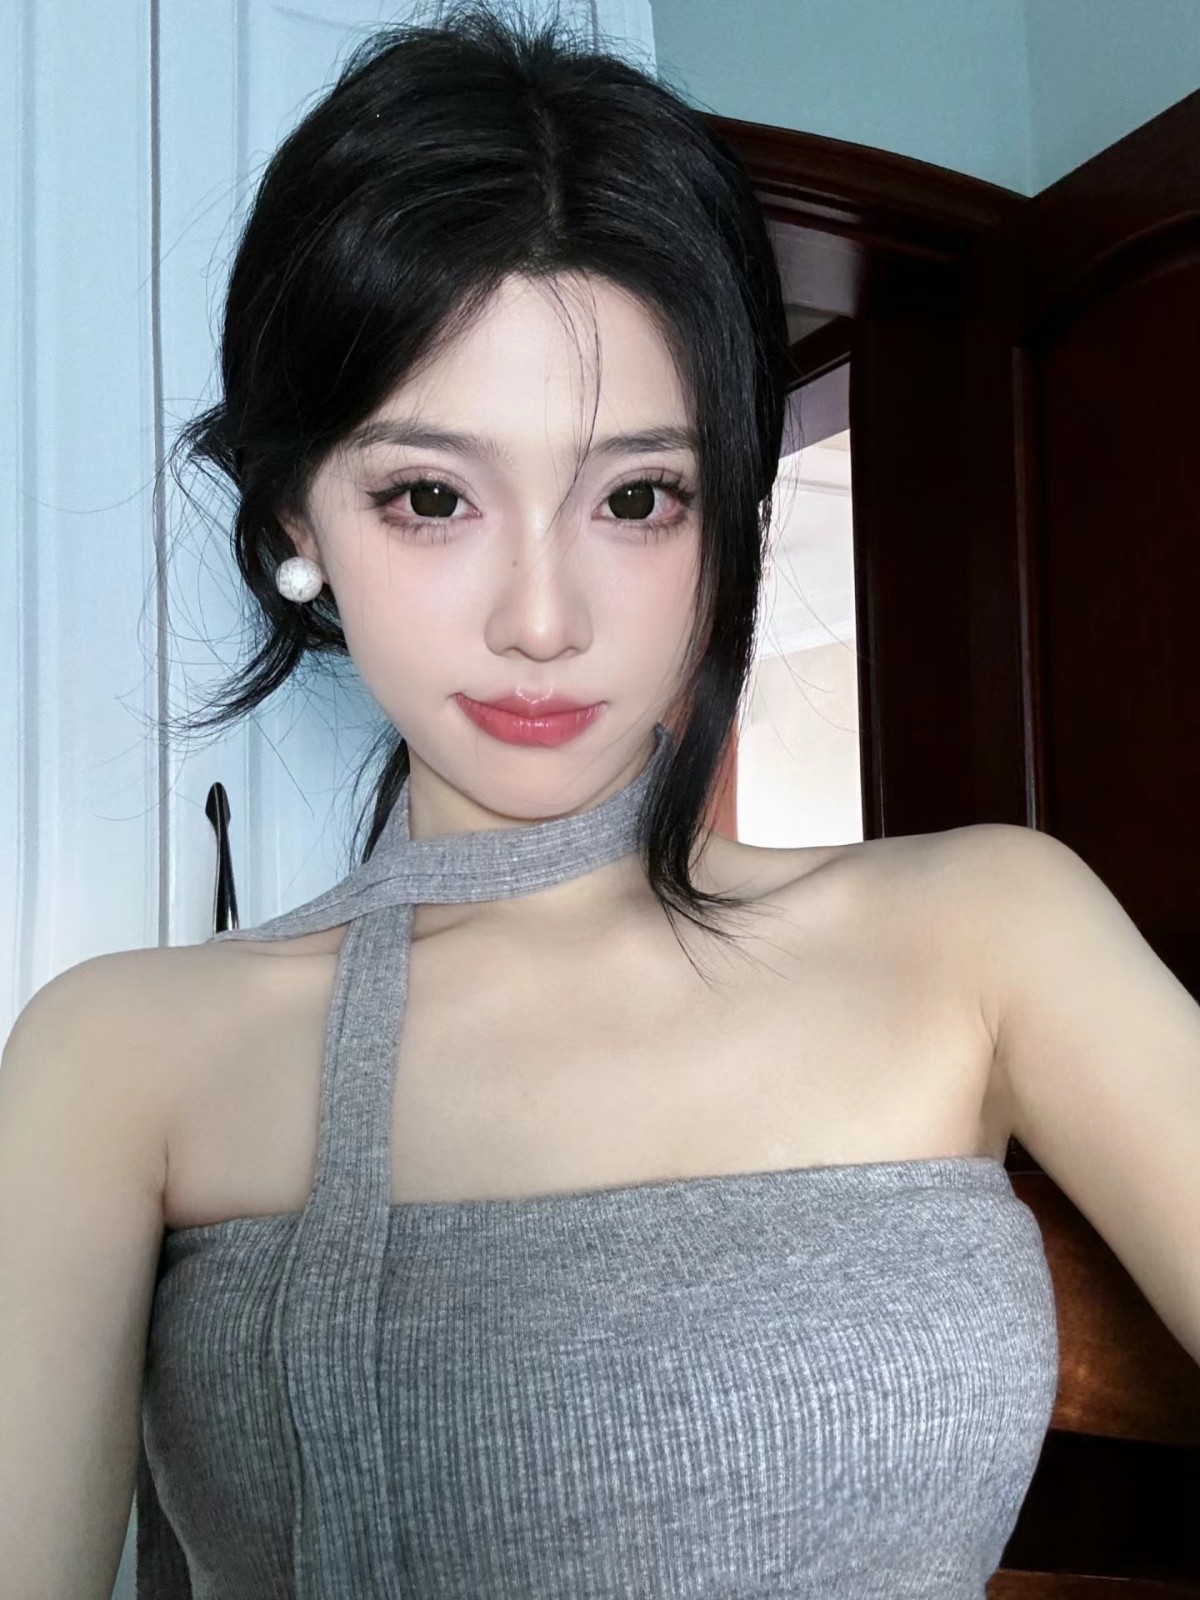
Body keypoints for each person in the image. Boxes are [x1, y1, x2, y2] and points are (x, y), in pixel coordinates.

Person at [0, 5, 1062, 1596]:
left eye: (636, 496)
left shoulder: (991, 932)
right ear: (297, 520)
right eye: (432, 497)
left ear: (725, 512)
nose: (544, 621)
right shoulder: (118, 1055)